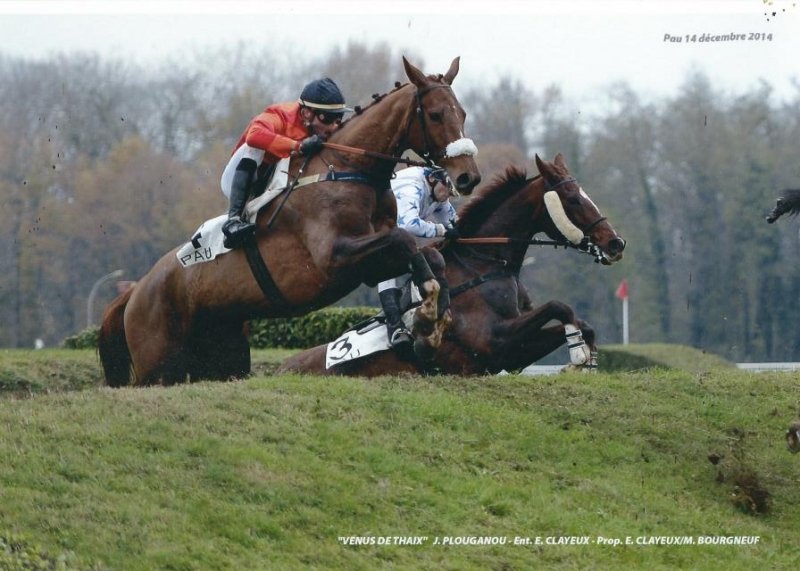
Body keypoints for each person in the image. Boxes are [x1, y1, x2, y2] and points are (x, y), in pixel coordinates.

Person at [219, 77, 351, 248]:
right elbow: (254, 136)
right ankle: (233, 220)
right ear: (307, 113)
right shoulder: (280, 115)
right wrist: (299, 146)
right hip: (244, 179)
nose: (334, 127)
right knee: (254, 147)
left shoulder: (321, 128)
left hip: (275, 181)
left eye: (338, 119)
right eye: (327, 118)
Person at [378, 166, 459, 351]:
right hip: (377, 231)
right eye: (447, 190)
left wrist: (458, 229)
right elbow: (408, 225)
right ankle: (394, 326)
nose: (447, 196)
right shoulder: (412, 188)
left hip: (396, 232)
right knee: (390, 259)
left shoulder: (438, 188)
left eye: (450, 193)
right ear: (433, 180)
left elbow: (452, 220)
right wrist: (441, 230)